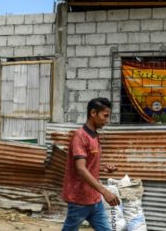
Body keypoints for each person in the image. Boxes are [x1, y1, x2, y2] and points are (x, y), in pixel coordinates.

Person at [62, 97, 120, 231]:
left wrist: (103, 169)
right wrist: (105, 192)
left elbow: (88, 165)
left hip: (94, 199)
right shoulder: (80, 136)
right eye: (105, 116)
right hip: (79, 199)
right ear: (93, 113)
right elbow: (81, 169)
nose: (107, 120)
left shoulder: (94, 135)